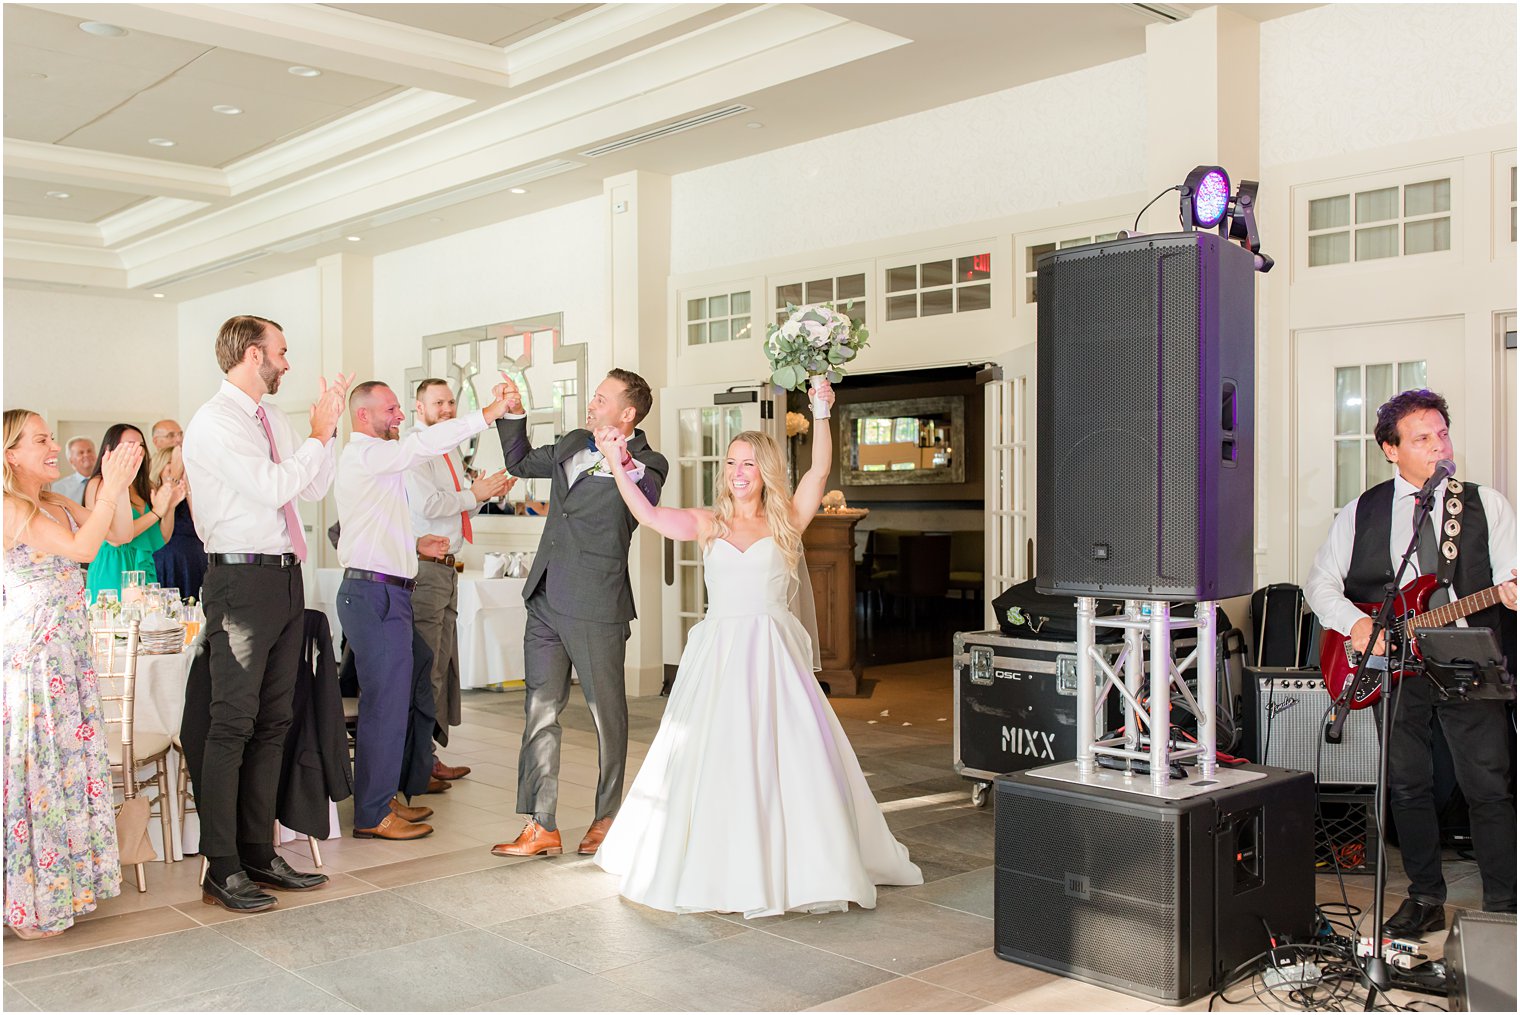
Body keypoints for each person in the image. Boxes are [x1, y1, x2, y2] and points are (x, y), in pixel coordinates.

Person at [592, 379, 924, 916]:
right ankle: (719, 860)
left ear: (765, 470)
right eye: (730, 463)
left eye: (748, 464)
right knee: (713, 756)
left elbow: (818, 471)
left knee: (787, 756)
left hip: (772, 657)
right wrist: (614, 461)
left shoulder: (786, 519)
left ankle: (801, 861)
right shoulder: (709, 522)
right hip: (719, 656)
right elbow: (650, 516)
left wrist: (820, 410)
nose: (737, 473)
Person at [1305, 388, 1517, 937]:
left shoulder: (1484, 504)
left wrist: (1510, 592)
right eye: (1422, 438)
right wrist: (1356, 625)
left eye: (1442, 434)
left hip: (1468, 658)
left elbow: (1509, 576)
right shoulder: (1362, 511)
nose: (1438, 446)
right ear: (1390, 449)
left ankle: (1505, 904)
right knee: (1407, 785)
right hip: (1391, 666)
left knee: (1489, 784)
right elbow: (1321, 584)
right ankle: (1423, 895)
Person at [181, 314, 350, 913]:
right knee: (232, 723)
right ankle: (220, 864)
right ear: (255, 355)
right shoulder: (215, 422)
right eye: (283, 350)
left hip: (283, 576)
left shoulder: (271, 418)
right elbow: (273, 486)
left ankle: (258, 848)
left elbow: (309, 490)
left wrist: (325, 436)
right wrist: (317, 435)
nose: (288, 361)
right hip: (238, 580)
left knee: (274, 720)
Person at [489, 369, 668, 859]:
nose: (591, 405)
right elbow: (521, 462)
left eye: (601, 399)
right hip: (545, 594)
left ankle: (608, 818)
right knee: (539, 711)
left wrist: (619, 456)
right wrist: (514, 412)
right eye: (592, 397)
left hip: (596, 603)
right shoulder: (572, 441)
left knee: (606, 715)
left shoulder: (650, 463)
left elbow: (646, 501)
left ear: (627, 413)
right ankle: (540, 824)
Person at [336, 379, 515, 840]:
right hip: (373, 594)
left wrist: (415, 544)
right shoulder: (367, 454)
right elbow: (426, 441)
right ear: (363, 416)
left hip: (391, 589)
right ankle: (373, 812)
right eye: (392, 409)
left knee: (409, 685)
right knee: (385, 703)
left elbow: (379, 523)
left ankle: (392, 791)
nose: (399, 417)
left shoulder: (381, 463)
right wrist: (489, 412)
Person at [3, 409, 139, 938]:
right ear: (11, 453)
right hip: (34, 661)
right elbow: (83, 550)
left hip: (67, 658)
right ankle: (27, 900)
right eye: (41, 440)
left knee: (61, 774)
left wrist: (118, 485)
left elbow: (119, 533)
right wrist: (108, 493)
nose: (54, 446)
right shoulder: (10, 508)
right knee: (34, 776)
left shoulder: (56, 501)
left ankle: (59, 886)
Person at [405, 379, 514, 782]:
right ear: (419, 408)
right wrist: (474, 492)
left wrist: (487, 492)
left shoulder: (446, 450)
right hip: (425, 569)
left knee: (443, 666)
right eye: (439, 403)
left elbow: (457, 506)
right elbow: (429, 505)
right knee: (428, 667)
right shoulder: (417, 452)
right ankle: (417, 763)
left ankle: (427, 756)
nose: (448, 409)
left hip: (449, 567)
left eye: (452, 402)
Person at [82, 424, 180, 604]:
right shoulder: (99, 484)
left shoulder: (146, 486)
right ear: (110, 449)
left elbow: (161, 539)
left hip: (141, 566)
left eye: (141, 445)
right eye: (129, 444)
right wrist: (156, 513)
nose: (137, 450)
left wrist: (170, 507)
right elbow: (115, 538)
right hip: (112, 564)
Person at [149, 446, 207, 599]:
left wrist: (187, 489)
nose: (178, 467)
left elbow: (200, 523)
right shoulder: (154, 493)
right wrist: (174, 477)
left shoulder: (191, 492)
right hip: (168, 562)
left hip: (195, 560)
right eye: (172, 463)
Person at [50, 436, 95, 503]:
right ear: (71, 460)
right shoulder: (59, 488)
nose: (86, 455)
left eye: (89, 451)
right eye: (81, 452)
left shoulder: (106, 482)